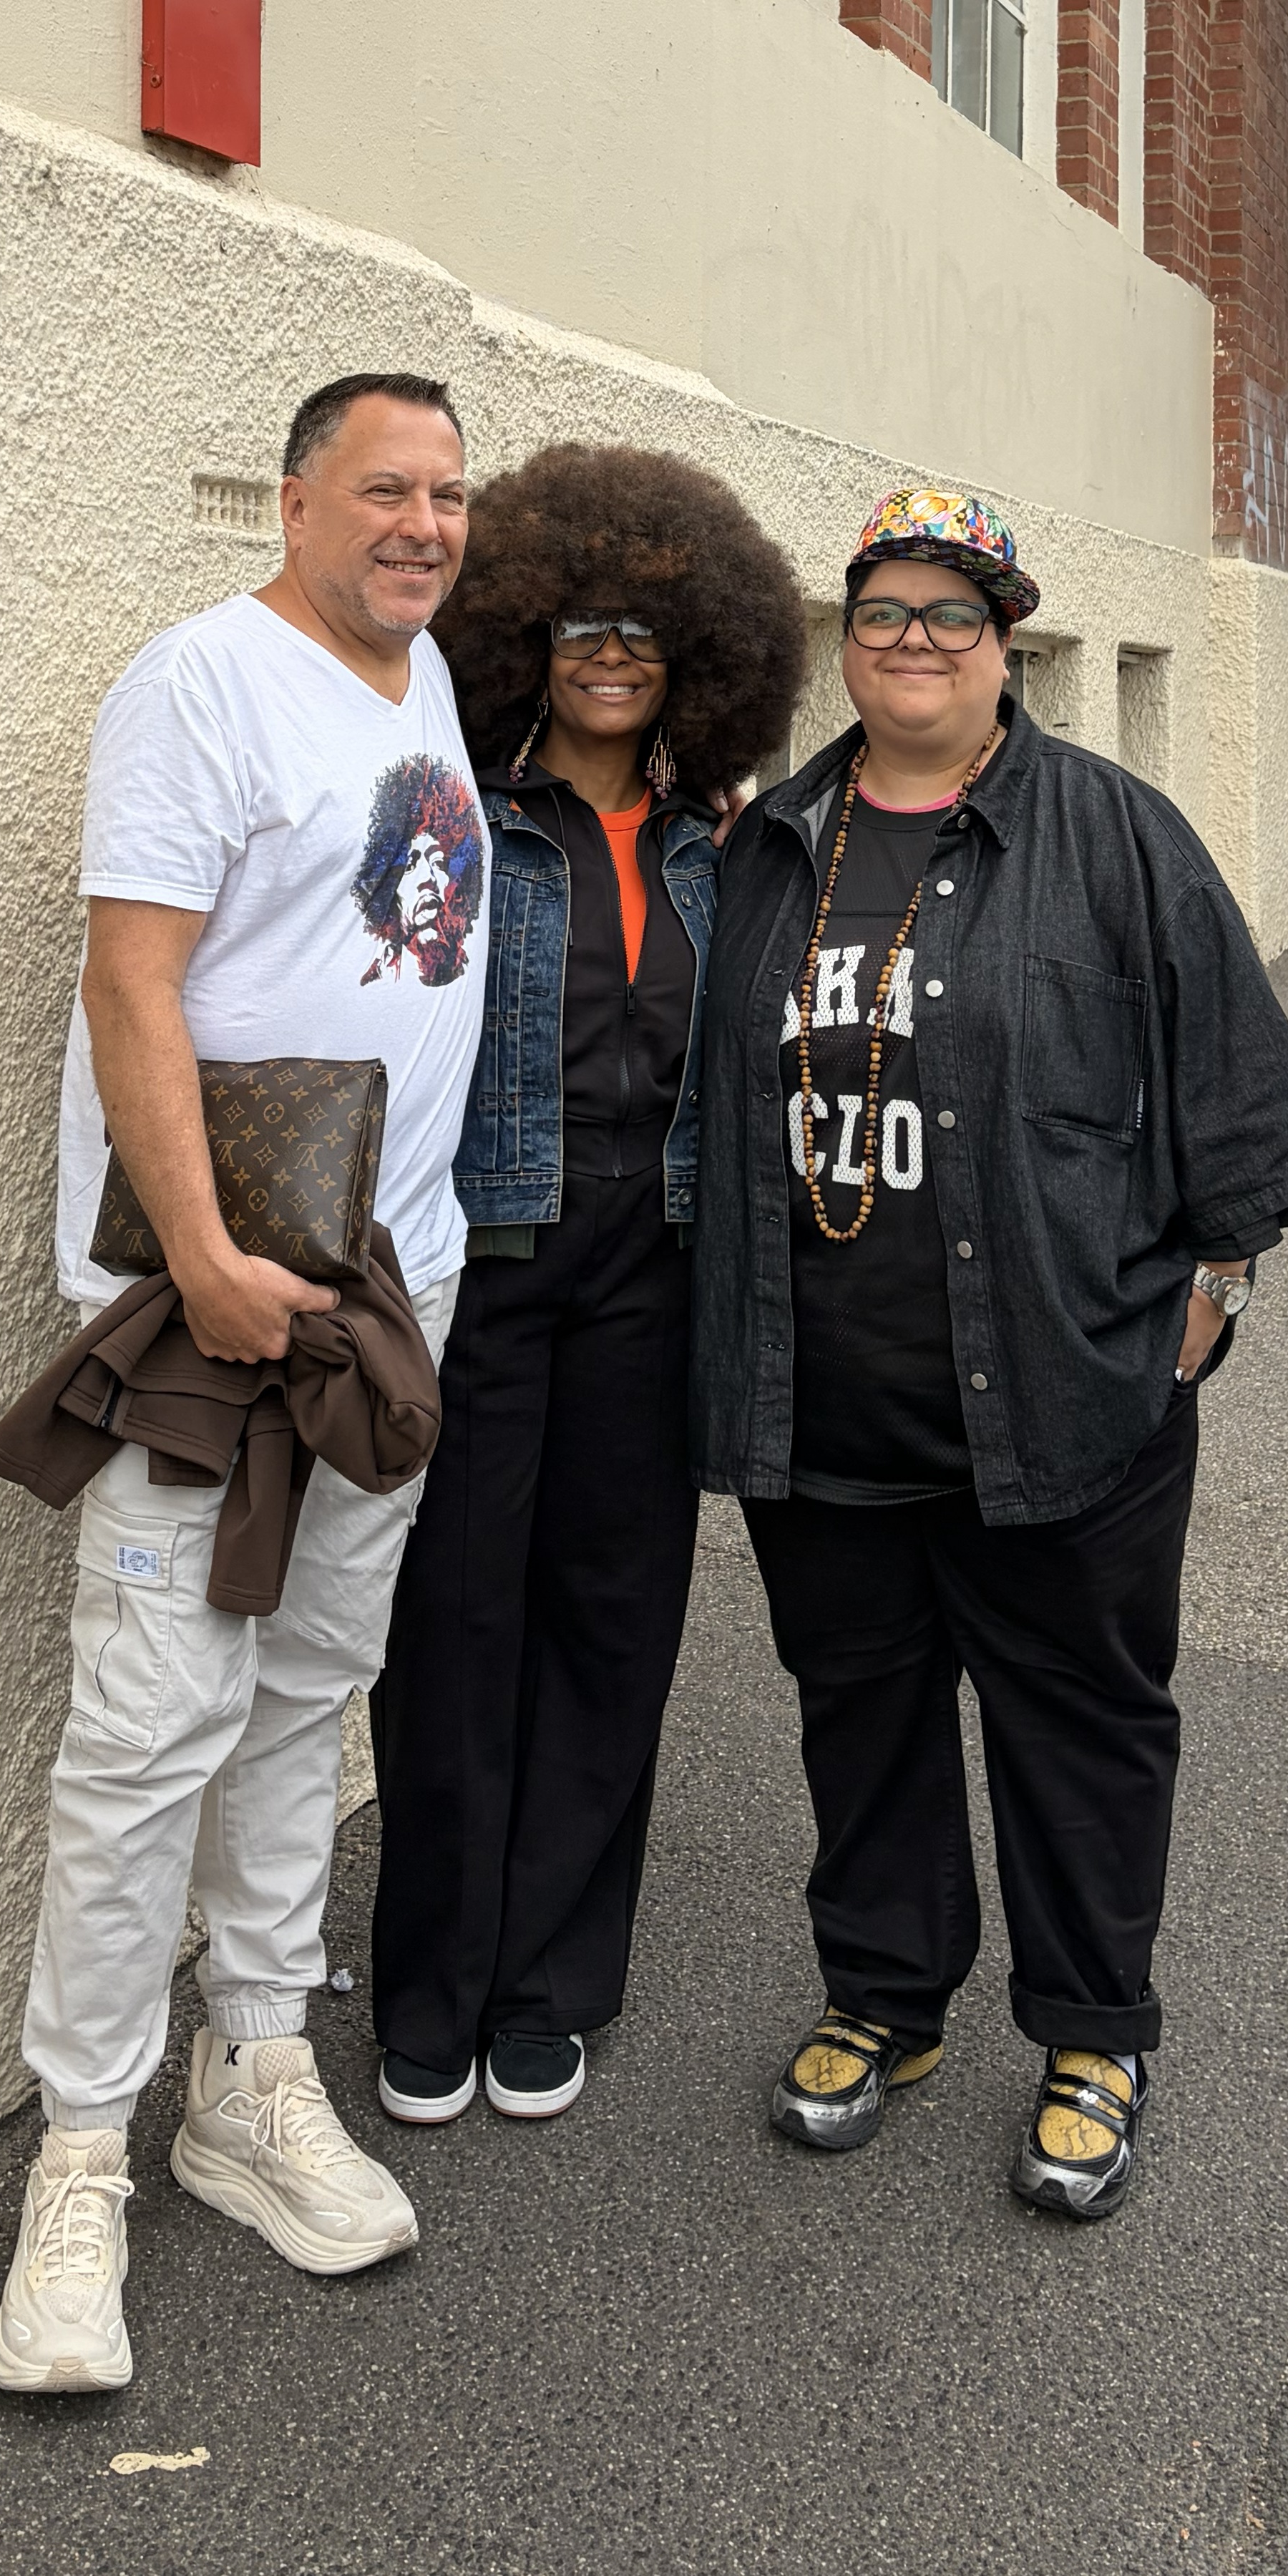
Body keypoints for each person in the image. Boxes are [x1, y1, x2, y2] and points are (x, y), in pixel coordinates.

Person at [691, 483, 1288, 2222]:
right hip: (822, 1401)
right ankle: (886, 1997)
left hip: (1063, 1398)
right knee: (865, 1714)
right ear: (852, 642)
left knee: (1079, 1721)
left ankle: (1091, 2031)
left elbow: (1234, 1086)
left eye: (952, 616)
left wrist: (1205, 1304)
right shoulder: (773, 843)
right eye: (884, 614)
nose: (913, 643)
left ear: (1010, 647)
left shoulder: (1117, 835)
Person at [0, 373, 489, 2397]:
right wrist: (197, 1257)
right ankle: (79, 2161)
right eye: (386, 489)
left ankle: (251, 2073)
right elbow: (132, 974)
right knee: (143, 1735)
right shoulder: (198, 681)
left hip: (393, 1297)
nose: (424, 523)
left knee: (303, 1697)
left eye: (451, 493)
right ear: (294, 499)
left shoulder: (427, 677)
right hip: (217, 1315)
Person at [369, 445, 805, 2126]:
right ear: (522, 637)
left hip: (662, 1256)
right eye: (578, 625)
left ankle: (552, 1978)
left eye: (647, 628)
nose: (613, 653)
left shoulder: (724, 843)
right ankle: (433, 1987)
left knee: (614, 1623)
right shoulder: (456, 804)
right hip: (492, 1244)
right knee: (455, 1617)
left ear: (703, 648)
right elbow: (382, 999)